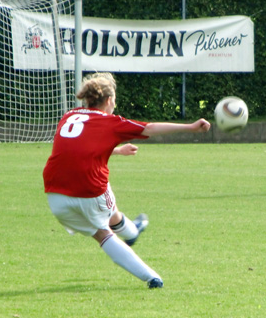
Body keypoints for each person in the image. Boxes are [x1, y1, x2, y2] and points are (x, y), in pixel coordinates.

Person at [43, 72, 211, 289]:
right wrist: (190, 127)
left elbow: (75, 150)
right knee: (106, 227)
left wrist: (118, 151)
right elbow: (149, 128)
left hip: (55, 196)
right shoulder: (111, 122)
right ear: (110, 100)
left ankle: (133, 234)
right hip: (88, 191)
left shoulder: (69, 117)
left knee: (101, 229)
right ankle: (145, 262)